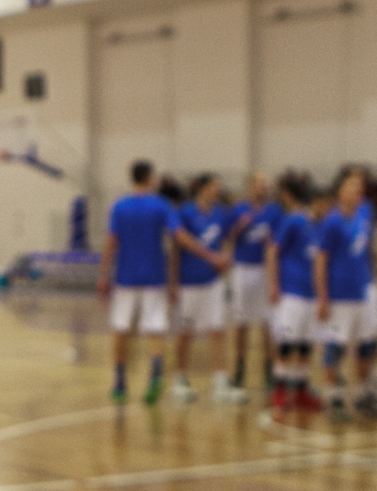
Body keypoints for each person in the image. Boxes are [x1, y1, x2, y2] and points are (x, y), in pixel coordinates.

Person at [97, 160, 178, 405]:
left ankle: (120, 381)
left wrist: (103, 275)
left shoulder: (120, 207)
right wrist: (174, 277)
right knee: (155, 328)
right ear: (149, 177)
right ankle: (155, 375)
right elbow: (175, 237)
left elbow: (112, 241)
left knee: (120, 328)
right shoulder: (161, 206)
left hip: (126, 277)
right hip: (154, 276)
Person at [313, 170, 377, 421]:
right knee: (335, 346)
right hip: (339, 295)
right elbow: (321, 260)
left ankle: (364, 394)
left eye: (360, 187)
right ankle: (334, 397)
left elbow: (368, 249)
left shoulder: (364, 215)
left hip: (361, 291)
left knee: (366, 345)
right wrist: (322, 298)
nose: (357, 191)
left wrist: (376, 277)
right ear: (340, 191)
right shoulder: (332, 222)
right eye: (352, 187)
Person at [170, 174, 242, 403]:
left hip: (213, 281)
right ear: (201, 188)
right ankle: (179, 379)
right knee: (186, 331)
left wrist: (226, 258)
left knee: (217, 328)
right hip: (190, 281)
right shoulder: (186, 213)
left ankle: (220, 381)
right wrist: (173, 281)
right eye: (213, 187)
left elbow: (228, 238)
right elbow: (176, 246)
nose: (217, 191)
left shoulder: (220, 213)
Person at [267, 176, 327, 411]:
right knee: (286, 342)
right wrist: (274, 284)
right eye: (324, 204)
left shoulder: (322, 226)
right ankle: (279, 388)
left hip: (311, 294)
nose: (326, 209)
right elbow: (273, 250)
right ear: (315, 202)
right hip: (292, 291)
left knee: (305, 344)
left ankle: (301, 389)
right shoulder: (294, 221)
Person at [228, 173, 283, 397]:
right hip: (242, 269)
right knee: (241, 320)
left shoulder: (274, 212)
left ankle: (269, 372)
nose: (265, 188)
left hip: (264, 269)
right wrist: (239, 227)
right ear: (251, 186)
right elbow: (229, 238)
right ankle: (239, 371)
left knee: (267, 321)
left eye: (267, 184)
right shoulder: (238, 210)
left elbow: (277, 241)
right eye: (261, 184)